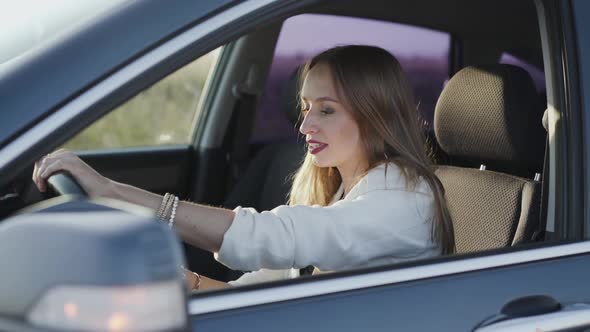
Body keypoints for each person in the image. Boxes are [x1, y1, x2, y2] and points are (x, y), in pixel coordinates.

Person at [32, 45, 455, 291]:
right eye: (306, 108)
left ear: (374, 115)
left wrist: (112, 191)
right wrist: (187, 281)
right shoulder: (340, 191)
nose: (305, 125)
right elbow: (254, 291)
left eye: (327, 110)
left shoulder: (404, 199)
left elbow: (271, 235)